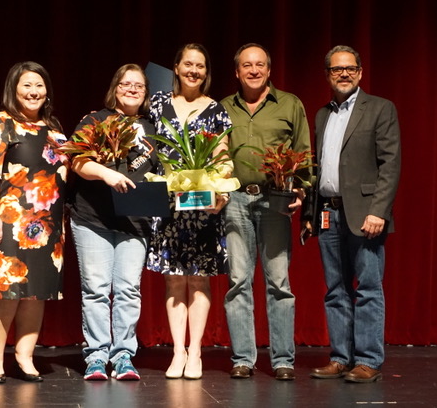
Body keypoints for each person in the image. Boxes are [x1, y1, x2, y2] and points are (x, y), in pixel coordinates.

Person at [303, 45, 401, 383]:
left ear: (359, 72)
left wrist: (379, 211)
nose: (343, 74)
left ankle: (369, 360)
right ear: (328, 75)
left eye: (350, 69)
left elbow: (390, 165)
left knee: (368, 287)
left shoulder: (380, 109)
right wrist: (311, 212)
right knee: (335, 289)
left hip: (365, 216)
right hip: (329, 213)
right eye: (336, 69)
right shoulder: (321, 115)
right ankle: (341, 357)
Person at [0, 61, 68, 384]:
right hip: (7, 219)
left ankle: (25, 358)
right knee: (6, 290)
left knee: (35, 292)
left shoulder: (53, 127)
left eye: (39, 86)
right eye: (27, 85)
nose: (34, 92)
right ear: (14, 88)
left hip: (47, 225)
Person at [220, 43, 312, 381]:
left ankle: (283, 360)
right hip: (235, 202)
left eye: (260, 65)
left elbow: (303, 151)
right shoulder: (223, 107)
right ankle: (243, 358)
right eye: (247, 65)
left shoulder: (289, 104)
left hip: (275, 201)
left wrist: (301, 190)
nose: (254, 70)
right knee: (238, 281)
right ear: (237, 71)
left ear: (269, 70)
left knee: (279, 282)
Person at [67, 64, 159, 381]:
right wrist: (106, 173)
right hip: (93, 218)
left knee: (128, 290)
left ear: (146, 93)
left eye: (139, 85)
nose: (132, 89)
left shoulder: (152, 128)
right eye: (125, 84)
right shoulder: (95, 120)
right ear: (115, 88)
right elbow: (77, 161)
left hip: (135, 222)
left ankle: (123, 357)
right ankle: (96, 357)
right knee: (95, 289)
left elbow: (166, 173)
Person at [146, 43, 232, 380]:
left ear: (206, 72)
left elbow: (223, 154)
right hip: (167, 205)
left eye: (200, 66)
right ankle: (177, 351)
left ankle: (195, 350)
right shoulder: (157, 105)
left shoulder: (216, 109)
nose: (193, 71)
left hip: (202, 205)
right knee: (173, 281)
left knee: (198, 280)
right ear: (176, 68)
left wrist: (221, 189)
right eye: (188, 64)